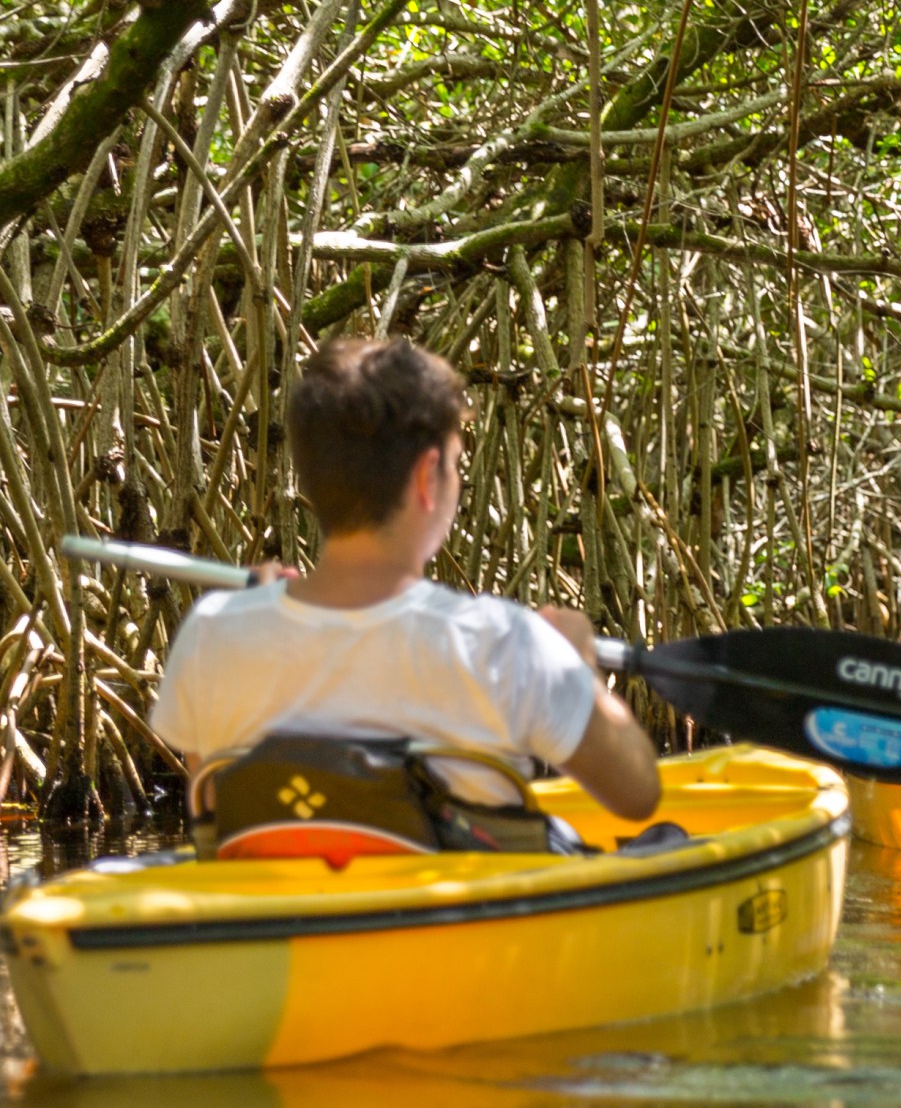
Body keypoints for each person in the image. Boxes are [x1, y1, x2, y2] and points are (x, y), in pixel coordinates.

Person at [149, 336, 663, 825]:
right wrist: (578, 673)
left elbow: (211, 812)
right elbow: (639, 794)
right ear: (426, 476)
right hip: (460, 915)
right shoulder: (503, 643)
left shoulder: (214, 632)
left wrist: (254, 617)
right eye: (457, 466)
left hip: (287, 911)